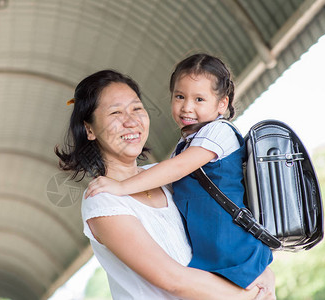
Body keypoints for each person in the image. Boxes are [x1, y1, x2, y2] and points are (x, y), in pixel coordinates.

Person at [56, 69, 275, 299]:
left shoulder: (169, 177)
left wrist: (262, 273)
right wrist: (248, 295)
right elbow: (172, 280)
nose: (131, 121)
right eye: (115, 113)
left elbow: (220, 231)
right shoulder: (102, 202)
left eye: (137, 109)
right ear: (89, 129)